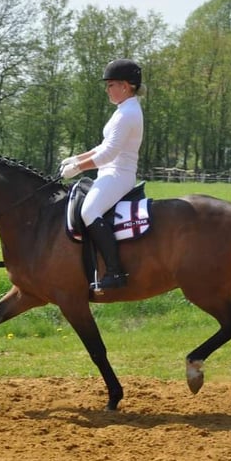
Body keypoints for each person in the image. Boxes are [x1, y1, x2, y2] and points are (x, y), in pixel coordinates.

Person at [59, 58, 145, 292]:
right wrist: (77, 158)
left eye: (110, 85)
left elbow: (109, 153)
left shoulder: (128, 113)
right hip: (110, 172)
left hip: (119, 174)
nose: (107, 90)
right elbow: (103, 145)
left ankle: (115, 271)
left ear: (125, 86)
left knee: (89, 211)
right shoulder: (123, 110)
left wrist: (79, 168)